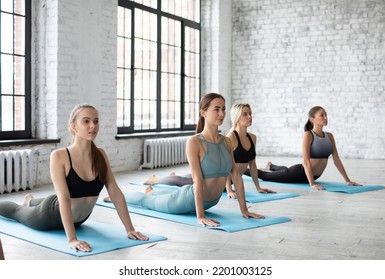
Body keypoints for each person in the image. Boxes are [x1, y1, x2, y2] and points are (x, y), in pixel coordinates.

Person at [0, 104, 148, 252]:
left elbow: (114, 192)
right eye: (86, 121)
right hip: (51, 215)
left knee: (47, 200)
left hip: (80, 220)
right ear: (74, 127)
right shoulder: (60, 156)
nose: (93, 126)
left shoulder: (101, 155)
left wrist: (130, 229)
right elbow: (64, 197)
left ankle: (30, 200)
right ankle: (28, 202)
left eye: (96, 121)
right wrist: (72, 239)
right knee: (17, 212)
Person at [106, 93, 264, 227]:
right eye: (216, 109)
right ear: (203, 112)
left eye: (223, 109)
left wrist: (244, 210)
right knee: (146, 201)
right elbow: (197, 179)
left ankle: (154, 189)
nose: (221, 113)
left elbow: (235, 176)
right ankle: (116, 197)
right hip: (185, 201)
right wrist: (200, 216)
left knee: (159, 194)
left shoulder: (227, 141)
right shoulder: (195, 142)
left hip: (211, 201)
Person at [244, 106, 361, 190]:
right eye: (322, 115)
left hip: (314, 175)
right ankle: (240, 171)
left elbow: (336, 159)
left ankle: (271, 166)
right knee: (265, 176)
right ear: (312, 119)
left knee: (284, 170)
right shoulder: (308, 135)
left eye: (326, 115)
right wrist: (312, 184)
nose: (325, 117)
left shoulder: (329, 136)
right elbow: (306, 161)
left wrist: (347, 180)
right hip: (299, 173)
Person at [225, 103, 275, 198]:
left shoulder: (253, 138)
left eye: (250, 113)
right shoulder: (231, 137)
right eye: (245, 114)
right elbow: (225, 166)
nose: (249, 117)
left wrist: (258, 187)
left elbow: (252, 165)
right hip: (220, 181)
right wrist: (229, 191)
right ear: (236, 117)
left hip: (234, 180)